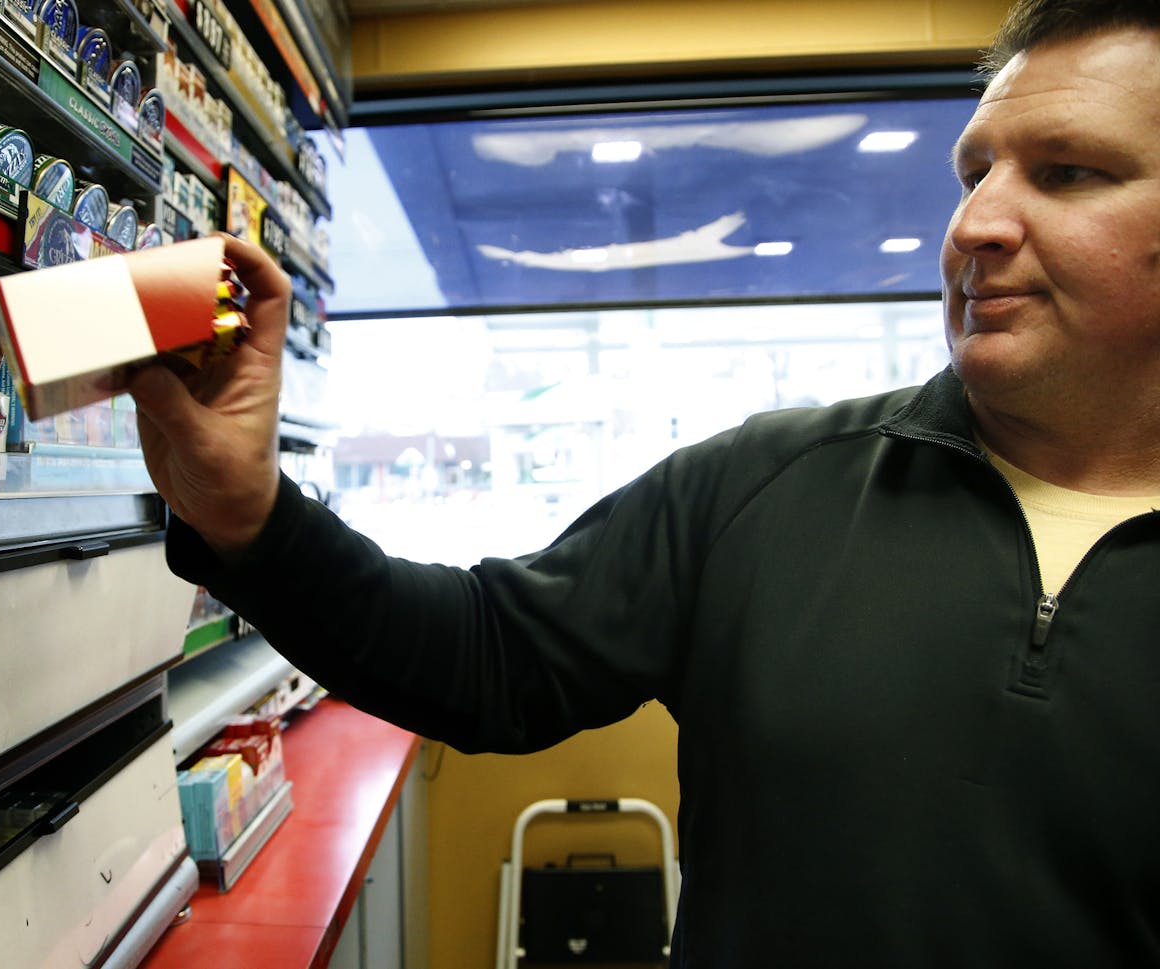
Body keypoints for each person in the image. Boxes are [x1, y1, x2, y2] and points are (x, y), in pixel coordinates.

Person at [128, 0, 1160, 963]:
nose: (974, 225)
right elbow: (479, 655)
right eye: (972, 172)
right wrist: (247, 519)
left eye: (1065, 172)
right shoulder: (764, 488)